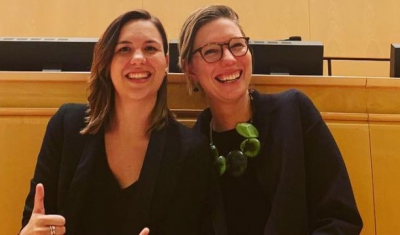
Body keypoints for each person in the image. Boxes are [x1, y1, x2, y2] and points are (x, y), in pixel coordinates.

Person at [19, 9, 217, 235]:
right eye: (124, 49)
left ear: (165, 63)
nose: (138, 58)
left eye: (150, 48)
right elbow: (33, 222)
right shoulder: (66, 126)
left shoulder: (192, 150)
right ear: (107, 62)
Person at [178, 5, 363, 235]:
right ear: (191, 70)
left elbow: (341, 217)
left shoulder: (294, 112)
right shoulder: (191, 149)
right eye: (211, 51)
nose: (229, 59)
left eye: (237, 45)